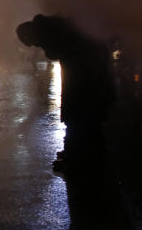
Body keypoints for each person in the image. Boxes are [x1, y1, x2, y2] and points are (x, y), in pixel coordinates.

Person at [16, 14, 114, 174]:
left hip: (87, 77)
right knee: (84, 118)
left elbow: (54, 51)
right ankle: (84, 155)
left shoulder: (52, 32)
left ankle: (81, 158)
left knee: (80, 118)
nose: (38, 46)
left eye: (34, 43)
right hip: (89, 74)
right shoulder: (55, 27)